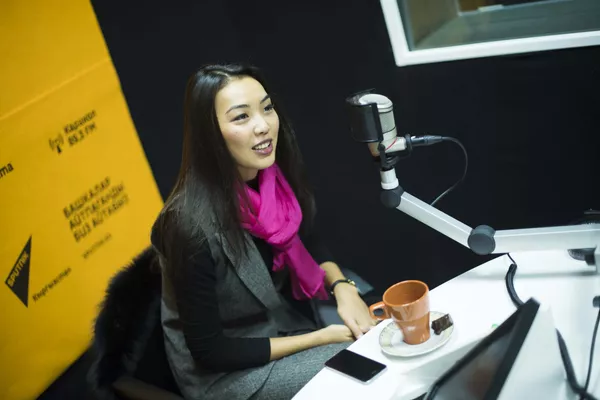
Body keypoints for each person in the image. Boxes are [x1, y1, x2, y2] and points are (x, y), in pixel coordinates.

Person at [150, 63, 377, 400]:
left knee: (379, 327)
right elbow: (210, 352)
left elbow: (307, 238)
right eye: (241, 117)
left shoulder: (271, 176)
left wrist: (343, 288)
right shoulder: (188, 226)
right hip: (226, 374)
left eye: (267, 108)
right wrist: (321, 338)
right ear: (209, 133)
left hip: (280, 323)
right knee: (360, 365)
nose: (263, 126)